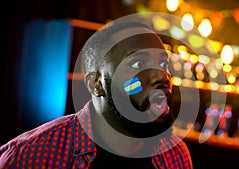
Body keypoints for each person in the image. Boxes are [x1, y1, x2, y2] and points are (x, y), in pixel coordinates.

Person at [0, 20, 193, 168]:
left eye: (163, 64)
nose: (161, 76)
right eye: (138, 64)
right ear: (96, 84)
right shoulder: (31, 156)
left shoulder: (175, 156)